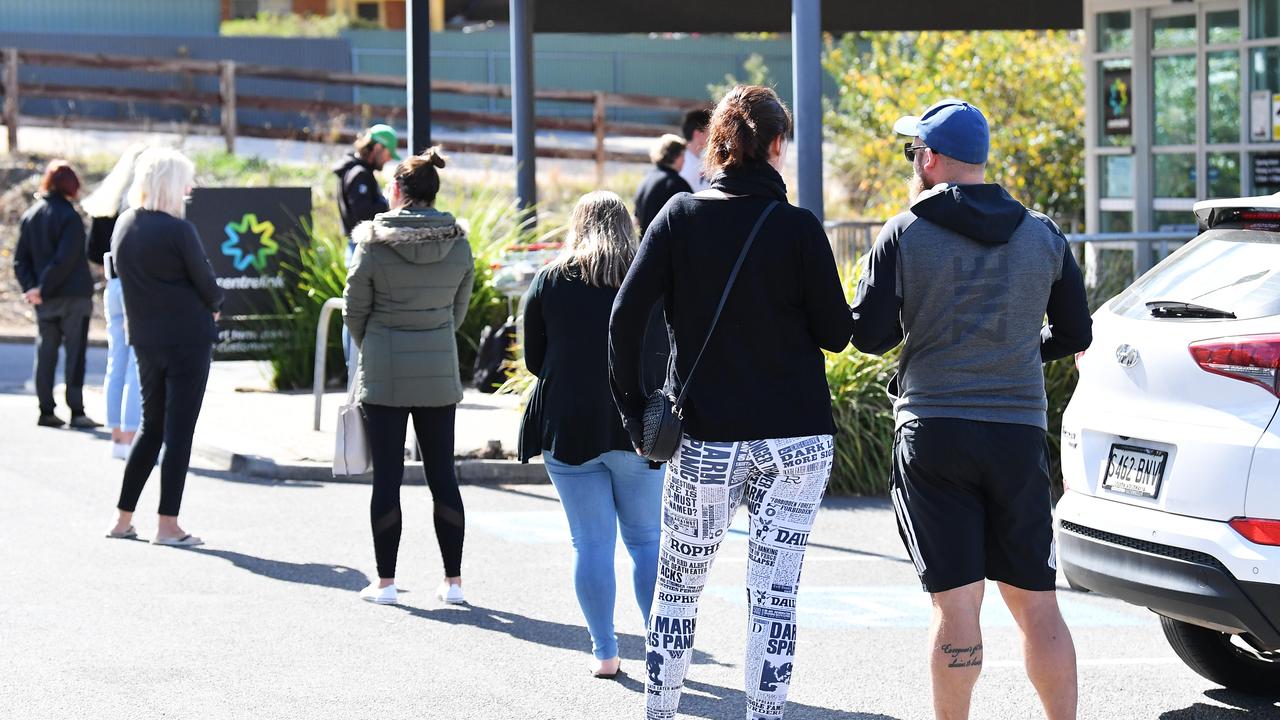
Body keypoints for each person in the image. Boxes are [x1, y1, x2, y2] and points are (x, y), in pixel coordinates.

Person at [609, 85, 854, 720]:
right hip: (795, 438)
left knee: (678, 589)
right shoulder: (798, 228)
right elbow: (835, 334)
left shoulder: (680, 218)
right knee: (774, 596)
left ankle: (660, 712)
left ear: (718, 142)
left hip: (706, 439)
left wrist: (637, 413)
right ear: (777, 146)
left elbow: (624, 318)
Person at [849, 99, 1093, 720]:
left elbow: (870, 336)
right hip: (1016, 434)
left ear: (930, 159)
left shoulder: (904, 232)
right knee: (1038, 602)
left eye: (913, 152)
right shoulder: (1043, 234)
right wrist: (1018, 350)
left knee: (956, 607)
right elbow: (1074, 331)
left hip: (935, 434)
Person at [519, 191, 667, 679]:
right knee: (646, 542)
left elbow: (534, 362)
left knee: (590, 544)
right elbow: (668, 353)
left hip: (568, 426)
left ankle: (605, 651)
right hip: (638, 427)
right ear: (628, 227)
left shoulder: (549, 281)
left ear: (577, 226)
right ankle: (659, 651)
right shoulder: (649, 281)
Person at [344, 148, 474, 607]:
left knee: (387, 479)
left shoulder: (373, 243)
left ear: (396, 191)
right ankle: (454, 582)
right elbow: (459, 310)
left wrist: (379, 338)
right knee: (443, 475)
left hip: (384, 370)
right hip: (439, 368)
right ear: (434, 190)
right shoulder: (458, 242)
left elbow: (353, 310)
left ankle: (385, 583)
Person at [107, 148, 224, 547]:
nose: (190, 189)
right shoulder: (179, 231)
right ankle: (167, 525)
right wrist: (214, 306)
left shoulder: (124, 224)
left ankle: (123, 519)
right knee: (179, 433)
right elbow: (209, 287)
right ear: (172, 185)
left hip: (145, 338)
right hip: (187, 340)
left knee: (150, 427)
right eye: (186, 182)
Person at [13, 160, 99, 429]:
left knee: (46, 353)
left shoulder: (31, 215)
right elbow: (66, 258)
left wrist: (32, 288)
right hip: (73, 296)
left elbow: (20, 260)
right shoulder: (70, 216)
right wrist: (42, 287)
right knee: (75, 355)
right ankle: (76, 411)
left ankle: (46, 410)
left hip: (45, 300)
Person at [82, 146, 147, 458]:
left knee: (116, 359)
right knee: (138, 362)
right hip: (136, 286)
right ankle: (133, 434)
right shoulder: (141, 205)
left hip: (113, 285)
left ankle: (117, 436)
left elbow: (93, 252)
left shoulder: (107, 201)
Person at [335, 123, 398, 381]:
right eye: (387, 153)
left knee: (355, 307)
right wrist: (385, 207)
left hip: (356, 247)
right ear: (378, 147)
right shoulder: (359, 174)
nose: (388, 159)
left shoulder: (355, 171)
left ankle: (356, 369)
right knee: (356, 309)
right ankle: (355, 370)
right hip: (359, 247)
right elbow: (362, 214)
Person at [633, 134, 692, 236]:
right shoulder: (676, 183)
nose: (684, 160)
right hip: (666, 248)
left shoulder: (646, 180)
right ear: (674, 156)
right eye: (682, 155)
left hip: (644, 245)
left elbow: (636, 220)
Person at [678, 108, 712, 193]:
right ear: (697, 133)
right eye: (709, 131)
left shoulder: (700, 159)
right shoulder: (684, 163)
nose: (712, 135)